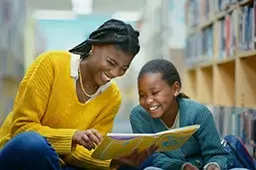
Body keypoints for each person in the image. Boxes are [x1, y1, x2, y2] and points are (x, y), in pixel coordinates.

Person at [0, 19, 158, 170]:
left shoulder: (112, 96)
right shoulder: (51, 64)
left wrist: (115, 160)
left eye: (123, 69)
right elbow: (21, 129)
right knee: (34, 144)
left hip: (62, 163)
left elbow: (88, 151)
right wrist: (73, 136)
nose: (115, 73)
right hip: (20, 156)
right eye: (111, 62)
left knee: (143, 160)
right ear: (95, 47)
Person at [130, 59, 240, 170]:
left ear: (175, 89)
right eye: (142, 95)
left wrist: (214, 165)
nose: (148, 100)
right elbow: (150, 157)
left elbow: (217, 153)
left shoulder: (199, 113)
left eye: (155, 93)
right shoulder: (139, 116)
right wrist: (182, 166)